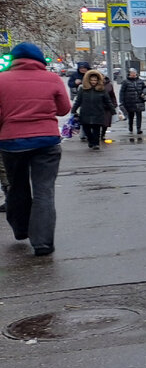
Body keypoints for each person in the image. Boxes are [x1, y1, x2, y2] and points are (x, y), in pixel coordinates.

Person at [0, 42, 72, 256]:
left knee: (17, 186)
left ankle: (21, 229)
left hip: (12, 143)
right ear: (40, 60)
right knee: (44, 191)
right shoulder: (52, 79)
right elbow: (64, 109)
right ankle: (42, 243)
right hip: (46, 141)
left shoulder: (2, 79)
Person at [72, 70, 116, 150]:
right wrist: (73, 110)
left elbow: (108, 101)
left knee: (96, 129)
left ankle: (96, 144)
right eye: (92, 80)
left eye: (95, 80)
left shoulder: (102, 90)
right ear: (88, 80)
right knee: (87, 129)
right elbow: (78, 101)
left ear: (98, 80)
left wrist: (113, 110)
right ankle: (90, 141)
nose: (93, 82)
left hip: (98, 112)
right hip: (85, 112)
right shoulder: (83, 89)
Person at [120, 68, 146, 139]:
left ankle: (139, 129)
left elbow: (145, 87)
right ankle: (130, 127)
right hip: (129, 101)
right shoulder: (125, 82)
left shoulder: (140, 81)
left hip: (139, 101)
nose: (133, 74)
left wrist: (143, 93)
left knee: (139, 115)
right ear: (129, 74)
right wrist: (122, 101)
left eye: (134, 73)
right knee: (131, 116)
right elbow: (122, 92)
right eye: (131, 73)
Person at [100, 75, 119, 143]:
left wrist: (114, 104)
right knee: (98, 122)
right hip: (98, 106)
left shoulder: (109, 85)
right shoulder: (95, 84)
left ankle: (102, 134)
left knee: (106, 122)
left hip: (107, 106)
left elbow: (112, 95)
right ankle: (97, 135)